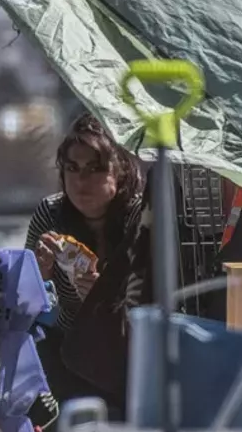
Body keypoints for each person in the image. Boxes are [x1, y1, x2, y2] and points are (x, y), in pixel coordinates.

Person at [26, 114, 150, 414]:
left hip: (129, 349)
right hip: (67, 346)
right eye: (72, 168)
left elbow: (148, 299)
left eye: (95, 169)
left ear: (118, 172)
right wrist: (37, 277)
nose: (81, 181)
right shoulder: (51, 213)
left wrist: (102, 297)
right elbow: (28, 305)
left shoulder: (139, 218)